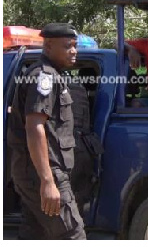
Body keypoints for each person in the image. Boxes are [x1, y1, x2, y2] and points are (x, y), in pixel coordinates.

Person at [7, 23, 86, 239]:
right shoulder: (44, 77)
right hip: (44, 173)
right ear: (49, 46)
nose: (74, 51)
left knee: (36, 235)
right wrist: (48, 181)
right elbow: (35, 127)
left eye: (75, 46)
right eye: (68, 46)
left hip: (35, 172)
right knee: (73, 234)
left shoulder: (53, 75)